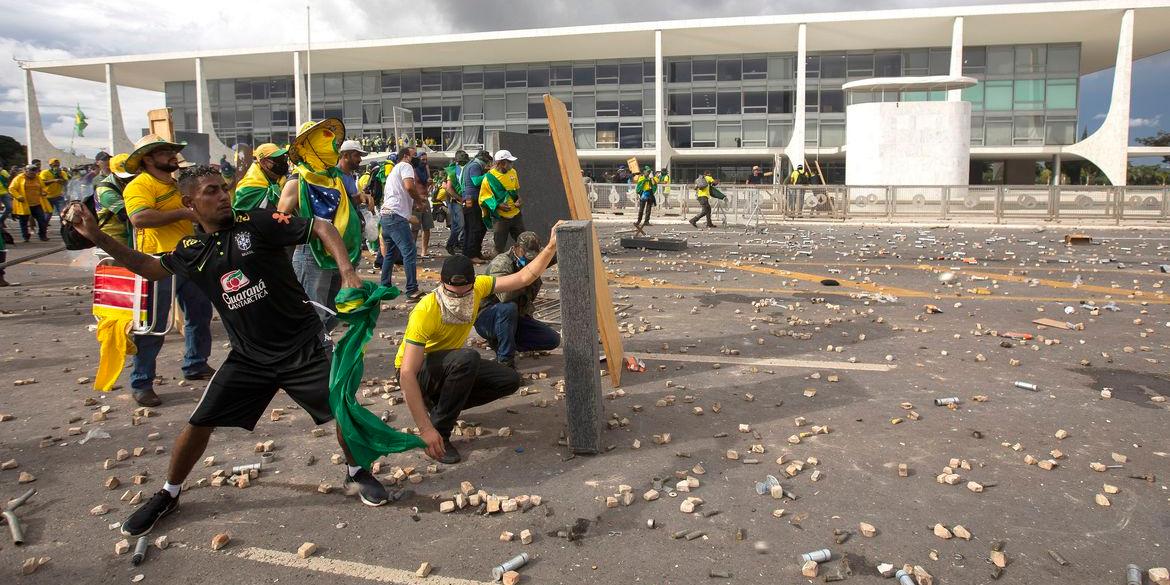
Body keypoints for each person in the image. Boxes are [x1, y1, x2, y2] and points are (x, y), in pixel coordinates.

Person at [66, 165, 400, 538]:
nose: (223, 196)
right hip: (249, 358)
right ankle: (169, 493)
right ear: (189, 202)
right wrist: (96, 234)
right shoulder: (191, 250)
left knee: (342, 409)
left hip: (302, 347)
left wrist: (349, 271)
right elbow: (146, 266)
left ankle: (356, 472)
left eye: (223, 189)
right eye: (211, 191)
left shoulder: (257, 222)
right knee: (198, 423)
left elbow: (321, 227)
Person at [396, 228, 560, 464]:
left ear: (474, 284)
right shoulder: (426, 310)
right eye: (453, 293)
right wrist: (425, 429)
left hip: (448, 366)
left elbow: (524, 277)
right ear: (442, 284)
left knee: (509, 380)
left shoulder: (481, 286)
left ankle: (440, 406)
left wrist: (551, 245)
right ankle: (439, 433)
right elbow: (407, 372)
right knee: (467, 358)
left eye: (465, 293)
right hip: (419, 372)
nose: (459, 299)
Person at [123, 134, 215, 406]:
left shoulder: (176, 185)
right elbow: (139, 217)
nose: (173, 156)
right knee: (153, 324)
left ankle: (196, 363)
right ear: (148, 159)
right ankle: (142, 381)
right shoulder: (140, 185)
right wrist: (185, 215)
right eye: (166, 152)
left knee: (200, 313)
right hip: (156, 262)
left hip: (187, 256)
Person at [279, 121, 367, 341]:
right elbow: (280, 222)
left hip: (340, 253)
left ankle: (317, 343)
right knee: (313, 312)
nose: (333, 147)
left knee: (338, 308)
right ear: (311, 146)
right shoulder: (297, 181)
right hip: (312, 254)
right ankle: (312, 356)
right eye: (326, 141)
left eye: (333, 141)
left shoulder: (335, 178)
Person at [474, 231, 561, 369]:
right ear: (516, 248)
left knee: (552, 340)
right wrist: (527, 277)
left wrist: (557, 240)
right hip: (488, 317)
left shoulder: (533, 259)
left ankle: (506, 341)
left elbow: (553, 255)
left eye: (534, 257)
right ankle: (505, 363)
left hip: (515, 318)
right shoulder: (502, 263)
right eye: (526, 256)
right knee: (508, 308)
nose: (530, 261)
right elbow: (505, 296)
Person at [377, 145, 426, 300]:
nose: (416, 158)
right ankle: (412, 290)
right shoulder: (405, 166)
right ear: (405, 156)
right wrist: (418, 201)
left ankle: (384, 286)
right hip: (395, 217)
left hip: (386, 216)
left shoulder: (394, 171)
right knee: (409, 251)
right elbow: (409, 187)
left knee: (390, 254)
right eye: (414, 155)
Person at [479, 149, 525, 254]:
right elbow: (484, 198)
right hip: (500, 218)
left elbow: (515, 190)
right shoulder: (489, 178)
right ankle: (497, 267)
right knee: (499, 247)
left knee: (524, 242)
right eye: (510, 162)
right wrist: (498, 205)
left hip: (516, 215)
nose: (512, 164)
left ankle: (525, 266)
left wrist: (519, 199)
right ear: (502, 163)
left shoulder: (513, 172)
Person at [94, 153, 136, 246]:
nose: (129, 179)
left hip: (128, 233)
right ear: (113, 172)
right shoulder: (105, 191)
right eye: (125, 177)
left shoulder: (125, 182)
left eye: (131, 175)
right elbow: (130, 213)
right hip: (113, 237)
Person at [232, 143, 288, 212]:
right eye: (278, 159)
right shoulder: (248, 187)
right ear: (264, 162)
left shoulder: (282, 180)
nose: (283, 162)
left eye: (283, 158)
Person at [460, 150, 491, 263]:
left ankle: (472, 253)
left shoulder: (471, 165)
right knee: (475, 228)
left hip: (469, 199)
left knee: (473, 228)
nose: (487, 165)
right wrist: (489, 173)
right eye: (487, 162)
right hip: (472, 199)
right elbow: (476, 181)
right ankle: (472, 255)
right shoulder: (475, 166)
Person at [8, 166, 49, 242]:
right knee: (23, 221)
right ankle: (25, 237)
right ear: (26, 171)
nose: (33, 173)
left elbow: (43, 187)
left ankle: (42, 235)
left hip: (36, 203)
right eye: (31, 171)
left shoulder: (37, 178)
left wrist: (44, 192)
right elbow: (11, 188)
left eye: (35, 171)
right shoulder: (19, 178)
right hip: (24, 204)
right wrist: (18, 196)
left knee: (42, 220)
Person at [443, 150, 468, 256]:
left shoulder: (462, 170)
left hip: (459, 200)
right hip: (455, 201)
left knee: (459, 225)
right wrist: (459, 198)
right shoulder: (452, 171)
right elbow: (448, 188)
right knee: (459, 225)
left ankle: (458, 244)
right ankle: (451, 244)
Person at [412, 151, 434, 259]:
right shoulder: (414, 170)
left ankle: (424, 251)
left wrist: (429, 180)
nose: (424, 162)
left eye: (426, 160)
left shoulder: (425, 170)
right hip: (416, 201)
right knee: (415, 228)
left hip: (425, 199)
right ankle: (413, 250)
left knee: (427, 227)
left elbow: (429, 183)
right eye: (422, 160)